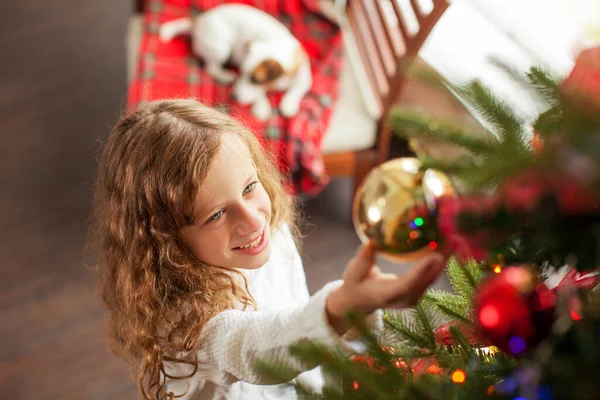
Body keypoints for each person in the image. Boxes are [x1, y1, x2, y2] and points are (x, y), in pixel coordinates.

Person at [91, 99, 446, 400]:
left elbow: (291, 310)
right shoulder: (180, 317)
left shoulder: (270, 233)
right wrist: (339, 309)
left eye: (249, 187)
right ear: (165, 240)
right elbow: (253, 348)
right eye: (216, 214)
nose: (252, 221)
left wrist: (345, 327)